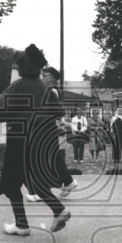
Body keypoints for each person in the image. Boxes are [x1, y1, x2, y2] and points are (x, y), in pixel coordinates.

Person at [0, 45, 71, 235]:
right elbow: (59, 111)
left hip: (19, 140)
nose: (18, 68)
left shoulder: (18, 85)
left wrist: (15, 117)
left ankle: (21, 224)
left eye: (18, 65)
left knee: (11, 183)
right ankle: (58, 210)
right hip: (40, 141)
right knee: (32, 179)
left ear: (23, 67)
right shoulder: (44, 87)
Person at [42, 66, 77, 196]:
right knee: (52, 157)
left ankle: (66, 182)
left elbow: (55, 110)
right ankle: (66, 182)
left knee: (51, 156)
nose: (42, 78)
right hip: (52, 126)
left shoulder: (53, 91)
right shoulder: (52, 90)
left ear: (51, 77)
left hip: (50, 127)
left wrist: (60, 122)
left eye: (44, 76)